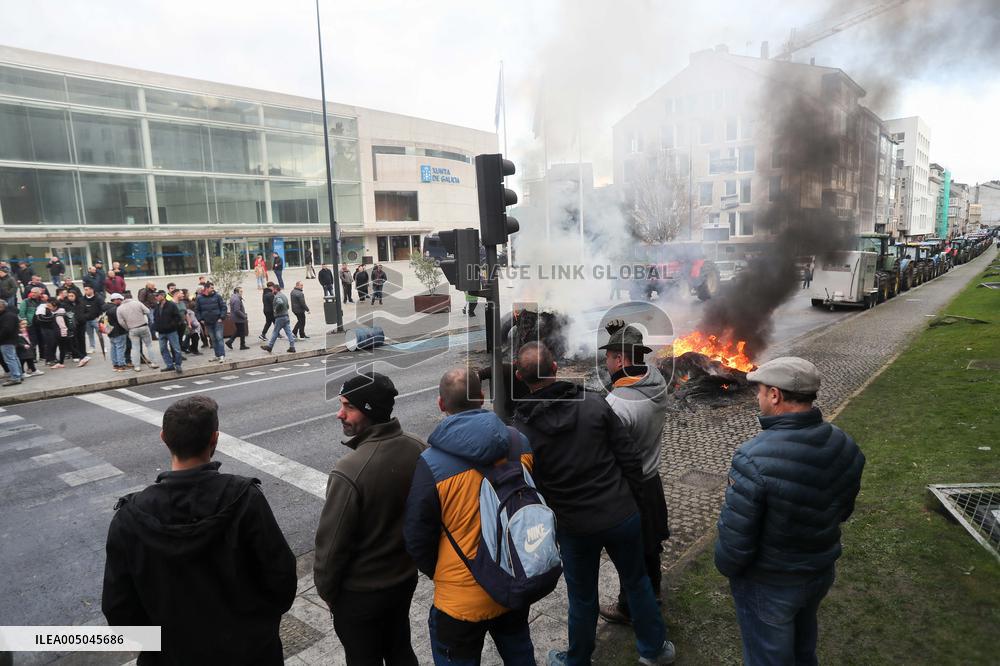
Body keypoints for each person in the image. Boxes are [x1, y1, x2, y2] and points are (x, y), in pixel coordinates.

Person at [102, 396, 297, 665]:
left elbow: (120, 611)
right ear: (214, 439)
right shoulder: (245, 499)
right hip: (247, 653)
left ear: (163, 438)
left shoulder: (129, 518)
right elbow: (281, 581)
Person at [512, 342, 675, 666]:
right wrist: (634, 502)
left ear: (519, 377)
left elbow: (528, 485)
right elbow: (629, 457)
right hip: (620, 513)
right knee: (638, 582)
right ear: (556, 367)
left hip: (574, 526)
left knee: (582, 597)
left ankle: (577, 659)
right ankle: (654, 650)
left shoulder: (522, 429)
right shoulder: (595, 403)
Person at [715, 357, 865, 666]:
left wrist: (729, 569)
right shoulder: (844, 444)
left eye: (759, 391)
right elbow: (843, 509)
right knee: (803, 646)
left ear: (775, 395)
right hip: (819, 572)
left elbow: (735, 541)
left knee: (767, 657)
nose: (757, 397)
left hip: (771, 583)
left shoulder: (752, 458)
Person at [404, 368, 536, 665]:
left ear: (441, 404)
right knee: (519, 651)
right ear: (481, 398)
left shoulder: (430, 465)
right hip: (514, 580)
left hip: (460, 600)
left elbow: (416, 537)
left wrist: (443, 573)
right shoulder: (519, 444)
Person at [314, 372, 426, 666]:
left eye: (347, 406)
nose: (340, 414)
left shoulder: (349, 470)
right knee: (400, 647)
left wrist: (327, 591)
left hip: (360, 594)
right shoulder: (418, 448)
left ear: (369, 410)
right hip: (403, 580)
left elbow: (331, 545)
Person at [597, 323, 670, 626]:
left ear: (622, 361)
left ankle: (629, 607)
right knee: (652, 543)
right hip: (652, 480)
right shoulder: (657, 381)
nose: (606, 363)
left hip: (628, 485)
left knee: (631, 551)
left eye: (610, 357)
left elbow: (604, 451)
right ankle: (654, 592)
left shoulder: (619, 403)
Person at [117, 292, 157, 372]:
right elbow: (148, 311)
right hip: (143, 326)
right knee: (149, 345)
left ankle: (137, 366)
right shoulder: (137, 303)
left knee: (135, 348)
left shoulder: (120, 308)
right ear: (131, 297)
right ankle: (154, 363)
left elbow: (121, 322)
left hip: (132, 329)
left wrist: (128, 328)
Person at [195, 282, 228, 363]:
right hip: (207, 322)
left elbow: (224, 307)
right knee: (213, 339)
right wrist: (200, 319)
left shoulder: (217, 296)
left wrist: (221, 317)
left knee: (219, 338)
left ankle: (222, 356)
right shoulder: (199, 298)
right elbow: (197, 310)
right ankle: (217, 355)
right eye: (211, 288)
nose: (213, 289)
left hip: (217, 321)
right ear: (206, 288)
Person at [153, 291, 183, 374]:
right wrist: (156, 327)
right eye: (155, 296)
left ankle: (178, 365)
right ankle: (169, 365)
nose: (156, 297)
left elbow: (177, 317)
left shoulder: (171, 305)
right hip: (161, 331)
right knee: (163, 349)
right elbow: (155, 317)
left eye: (157, 296)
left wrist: (172, 325)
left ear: (163, 296)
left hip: (171, 331)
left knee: (176, 348)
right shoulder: (157, 306)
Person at [261, 284, 295, 354]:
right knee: (288, 332)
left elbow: (280, 303)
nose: (272, 291)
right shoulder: (284, 295)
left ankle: (270, 347)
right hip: (286, 316)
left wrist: (275, 310)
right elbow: (287, 306)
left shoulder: (277, 296)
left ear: (276, 289)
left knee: (275, 332)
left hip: (280, 317)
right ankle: (292, 347)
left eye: (273, 290)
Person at [104, 293, 129, 372]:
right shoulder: (117, 309)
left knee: (113, 348)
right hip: (119, 332)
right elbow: (122, 321)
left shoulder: (106, 309)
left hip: (110, 331)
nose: (121, 301)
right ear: (116, 300)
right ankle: (121, 365)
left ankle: (115, 365)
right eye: (120, 300)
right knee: (120, 348)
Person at [0, 301, 22, 386]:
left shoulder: (7, 316)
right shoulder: (10, 315)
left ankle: (16, 377)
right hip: (11, 340)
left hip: (6, 341)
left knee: (10, 359)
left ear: (3, 307)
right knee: (14, 358)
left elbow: (6, 330)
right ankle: (19, 375)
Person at [80, 286, 104, 355]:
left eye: (87, 289)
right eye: (85, 290)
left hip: (96, 319)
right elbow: (81, 309)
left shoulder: (98, 298)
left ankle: (103, 346)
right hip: (87, 321)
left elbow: (102, 308)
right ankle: (92, 347)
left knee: (100, 334)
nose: (86, 291)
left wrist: (100, 317)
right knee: (90, 335)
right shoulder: (82, 299)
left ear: (92, 290)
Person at [226, 287, 250, 351]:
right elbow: (237, 310)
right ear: (237, 292)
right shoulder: (236, 299)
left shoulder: (233, 297)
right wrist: (244, 316)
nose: (242, 293)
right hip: (238, 318)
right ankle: (242, 345)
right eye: (241, 291)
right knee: (242, 331)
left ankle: (230, 341)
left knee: (239, 330)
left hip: (236, 317)